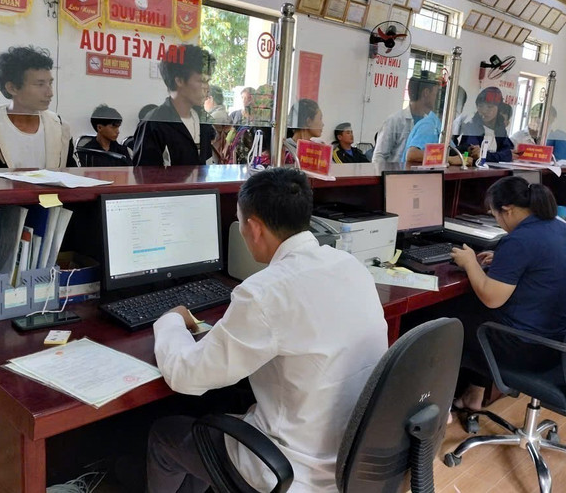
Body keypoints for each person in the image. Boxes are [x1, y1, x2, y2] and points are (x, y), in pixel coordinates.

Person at [148, 167, 388, 492]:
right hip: (355, 459)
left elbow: (185, 376)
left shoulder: (265, 292)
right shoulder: (351, 266)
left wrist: (171, 320)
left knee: (164, 435)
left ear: (254, 227)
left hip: (291, 470)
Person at [450, 176, 566, 411]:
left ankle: (437, 408)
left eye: (495, 215)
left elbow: (492, 298)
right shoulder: (564, 229)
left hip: (525, 348)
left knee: (444, 320)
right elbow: (542, 265)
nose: (498, 222)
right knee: (473, 311)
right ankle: (473, 396)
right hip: (558, 340)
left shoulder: (520, 240)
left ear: (508, 210)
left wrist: (470, 262)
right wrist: (504, 261)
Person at [0, 46, 74, 169]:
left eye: (50, 83)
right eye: (40, 84)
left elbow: (72, 174)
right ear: (12, 88)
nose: (50, 93)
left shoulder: (59, 128)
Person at [133, 45, 216, 166]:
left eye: (208, 81)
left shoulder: (203, 121)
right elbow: (144, 175)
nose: (207, 88)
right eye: (202, 81)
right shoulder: (154, 124)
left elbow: (207, 166)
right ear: (179, 81)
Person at [372, 71, 441, 163]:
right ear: (426, 93)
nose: (436, 99)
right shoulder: (395, 121)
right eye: (435, 94)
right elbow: (379, 156)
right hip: (396, 172)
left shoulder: (431, 123)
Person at [405, 85, 469, 166]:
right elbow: (412, 155)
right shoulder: (429, 126)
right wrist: (449, 159)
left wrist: (468, 151)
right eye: (460, 107)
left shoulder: (441, 128)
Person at [454, 87, 514, 163]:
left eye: (490, 107)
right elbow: (474, 152)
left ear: (498, 108)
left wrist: (485, 155)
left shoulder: (500, 129)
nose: (484, 111)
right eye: (480, 106)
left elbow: (508, 153)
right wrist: (497, 156)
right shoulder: (471, 127)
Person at [284, 98, 324, 164]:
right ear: (308, 121)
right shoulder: (286, 151)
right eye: (320, 118)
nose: (322, 124)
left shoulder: (317, 149)